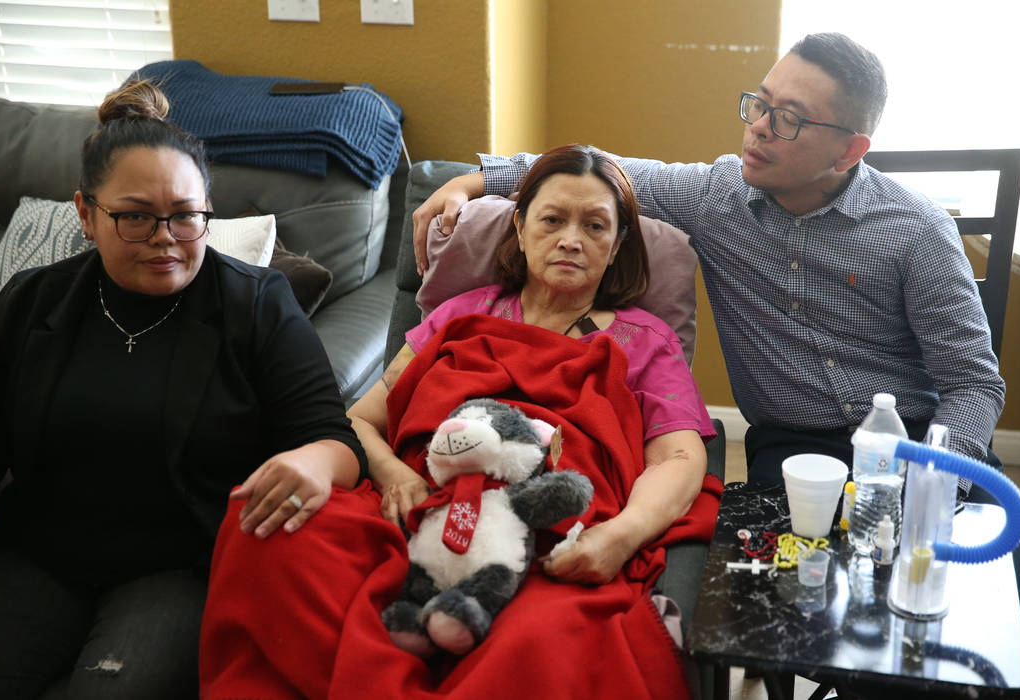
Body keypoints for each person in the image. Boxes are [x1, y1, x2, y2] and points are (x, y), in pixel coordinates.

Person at [411, 32, 1020, 680]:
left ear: (850, 149)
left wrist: (933, 491)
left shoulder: (916, 229)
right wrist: (470, 178)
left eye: (788, 118)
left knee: (1011, 617)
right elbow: (596, 169)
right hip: (794, 453)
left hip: (915, 446)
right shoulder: (718, 198)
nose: (759, 129)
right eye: (758, 104)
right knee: (817, 631)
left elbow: (973, 384)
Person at [199, 144, 723, 699]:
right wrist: (393, 475)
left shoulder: (645, 342)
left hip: (549, 533)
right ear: (519, 229)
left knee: (549, 640)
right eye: (552, 220)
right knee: (266, 527)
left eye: (595, 226)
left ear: (617, 246)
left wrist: (620, 536)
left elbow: (681, 458)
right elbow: (357, 421)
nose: (571, 238)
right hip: (413, 507)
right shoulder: (460, 314)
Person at [0, 80, 366, 700]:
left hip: (183, 565)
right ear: (86, 214)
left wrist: (311, 461)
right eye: (135, 216)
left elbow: (333, 440)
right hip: (39, 556)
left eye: (187, 216)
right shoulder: (34, 301)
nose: (165, 237)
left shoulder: (257, 304)